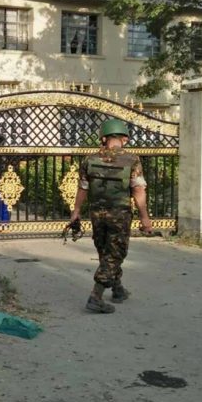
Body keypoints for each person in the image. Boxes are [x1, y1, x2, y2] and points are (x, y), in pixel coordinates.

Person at [70, 118, 152, 314]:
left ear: (103, 138)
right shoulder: (132, 159)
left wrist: (76, 212)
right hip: (119, 214)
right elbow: (138, 190)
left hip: (97, 214)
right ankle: (96, 297)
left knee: (105, 250)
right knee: (115, 253)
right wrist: (145, 218)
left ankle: (117, 289)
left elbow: (83, 188)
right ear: (125, 139)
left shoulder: (89, 159)